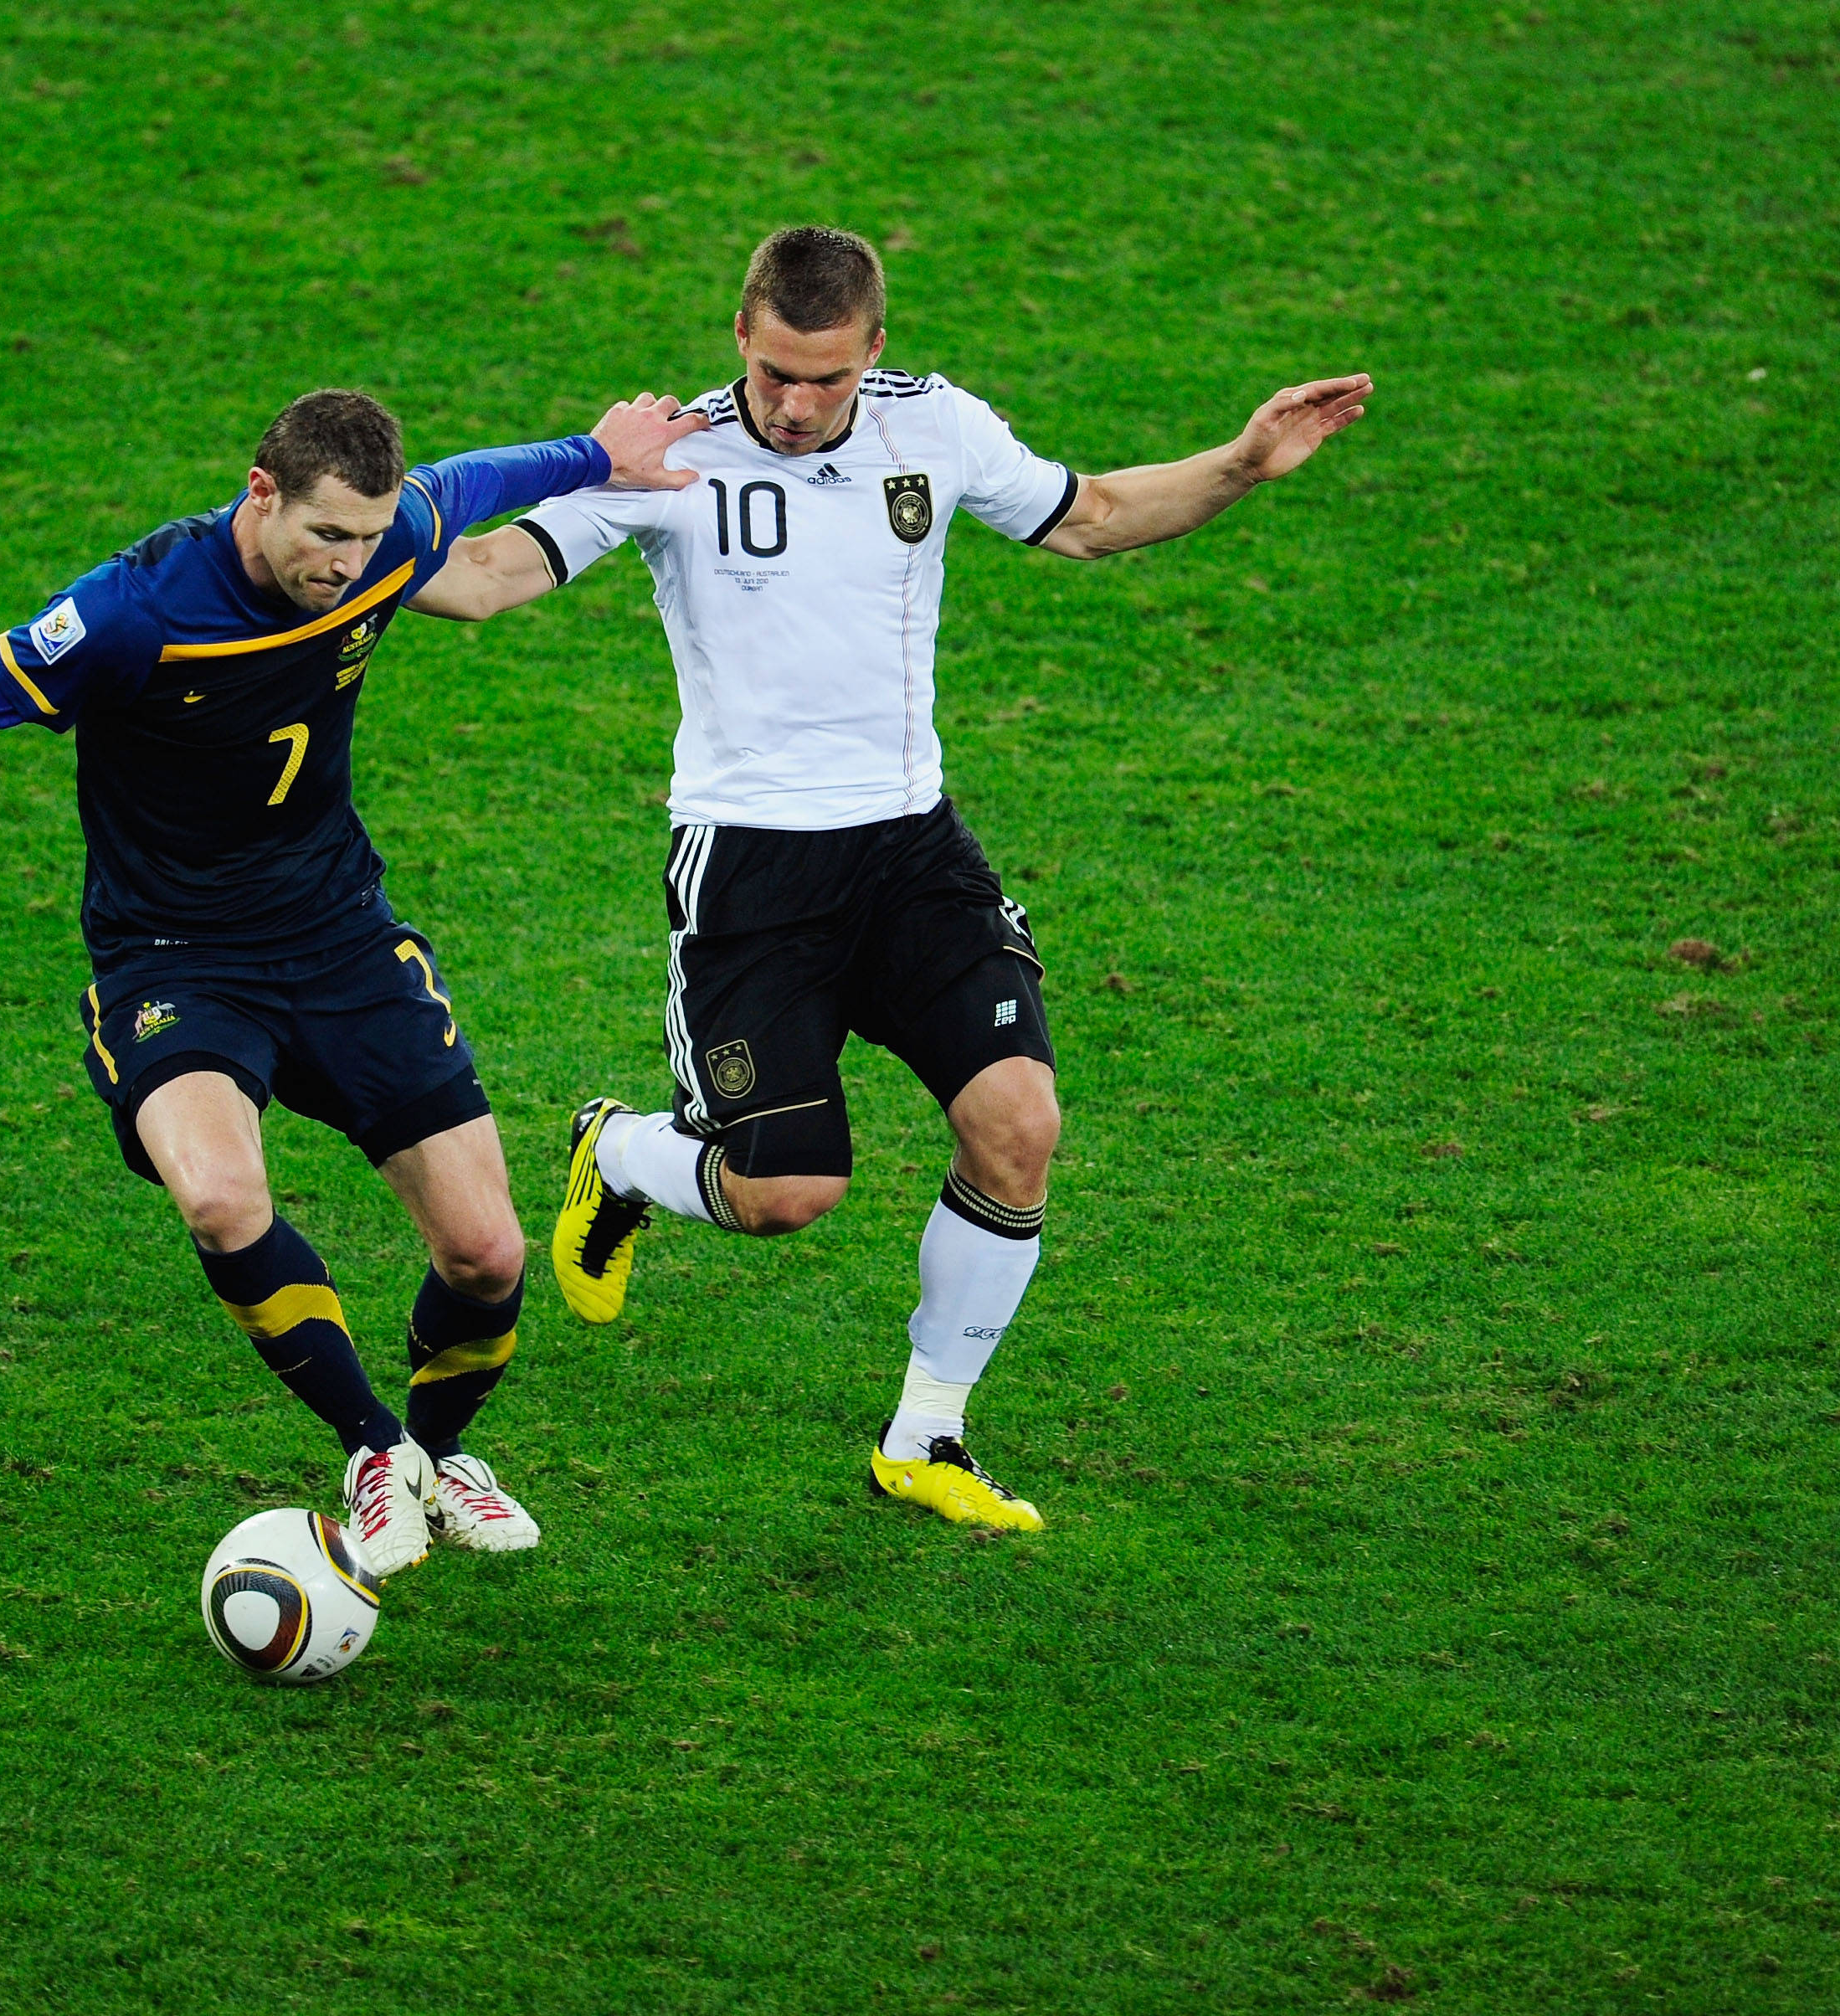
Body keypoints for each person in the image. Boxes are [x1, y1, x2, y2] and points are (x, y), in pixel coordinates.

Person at [415, 228, 1370, 1530]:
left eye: (827, 380)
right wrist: (354, 545)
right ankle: (626, 1156)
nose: (798, 407)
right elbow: (480, 583)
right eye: (774, 375)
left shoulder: (936, 427)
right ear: (739, 334)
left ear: (874, 349)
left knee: (1019, 1125)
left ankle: (928, 1434)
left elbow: (1089, 519)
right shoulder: (668, 456)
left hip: (913, 850)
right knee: (786, 1195)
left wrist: (1245, 463)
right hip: (753, 870)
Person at [0, 388, 705, 1576]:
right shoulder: (137, 612)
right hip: (174, 961)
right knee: (223, 1201)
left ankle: (432, 1463)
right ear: (260, 493)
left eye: (370, 537)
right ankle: (374, 1445)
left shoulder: (393, 533)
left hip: (342, 939)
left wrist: (599, 453)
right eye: (325, 536)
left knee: (488, 1254)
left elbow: (478, 481)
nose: (348, 564)